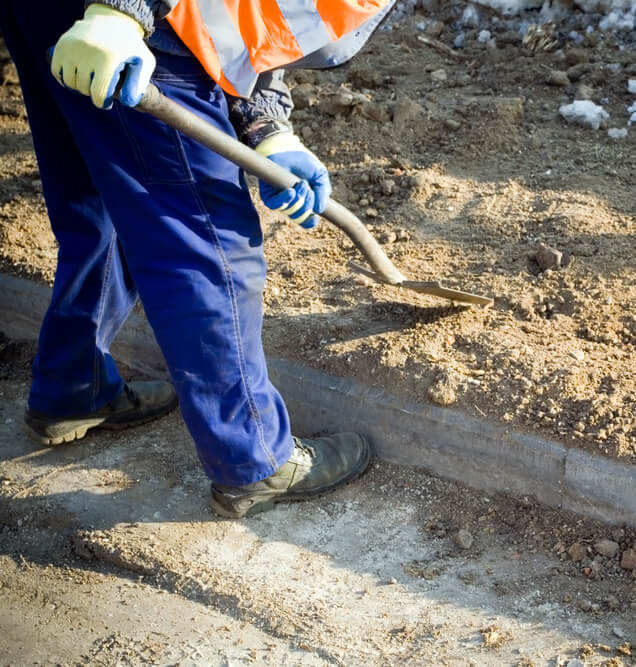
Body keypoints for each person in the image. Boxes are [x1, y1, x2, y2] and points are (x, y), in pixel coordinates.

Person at [0, 0, 393, 518]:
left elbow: (248, 17)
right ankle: (253, 460)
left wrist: (269, 129)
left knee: (104, 196)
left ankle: (73, 384)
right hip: (135, 24)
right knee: (209, 243)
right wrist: (124, 10)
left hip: (59, 17)